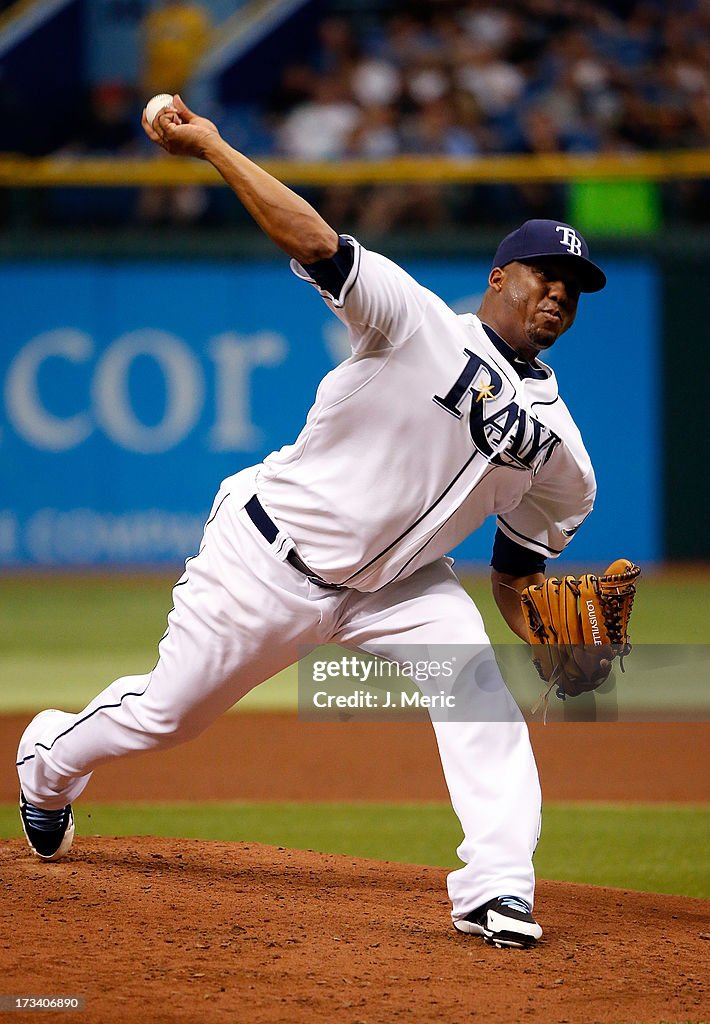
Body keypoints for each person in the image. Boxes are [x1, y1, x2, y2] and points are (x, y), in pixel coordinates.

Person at [17, 95, 609, 951]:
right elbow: (317, 242)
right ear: (497, 277)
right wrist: (216, 145)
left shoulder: (563, 455)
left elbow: (516, 575)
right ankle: (45, 763)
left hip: (400, 588)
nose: (558, 292)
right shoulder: (416, 323)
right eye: (543, 274)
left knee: (478, 694)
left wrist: (552, 639)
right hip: (269, 556)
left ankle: (498, 889)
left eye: (575, 287)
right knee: (168, 715)